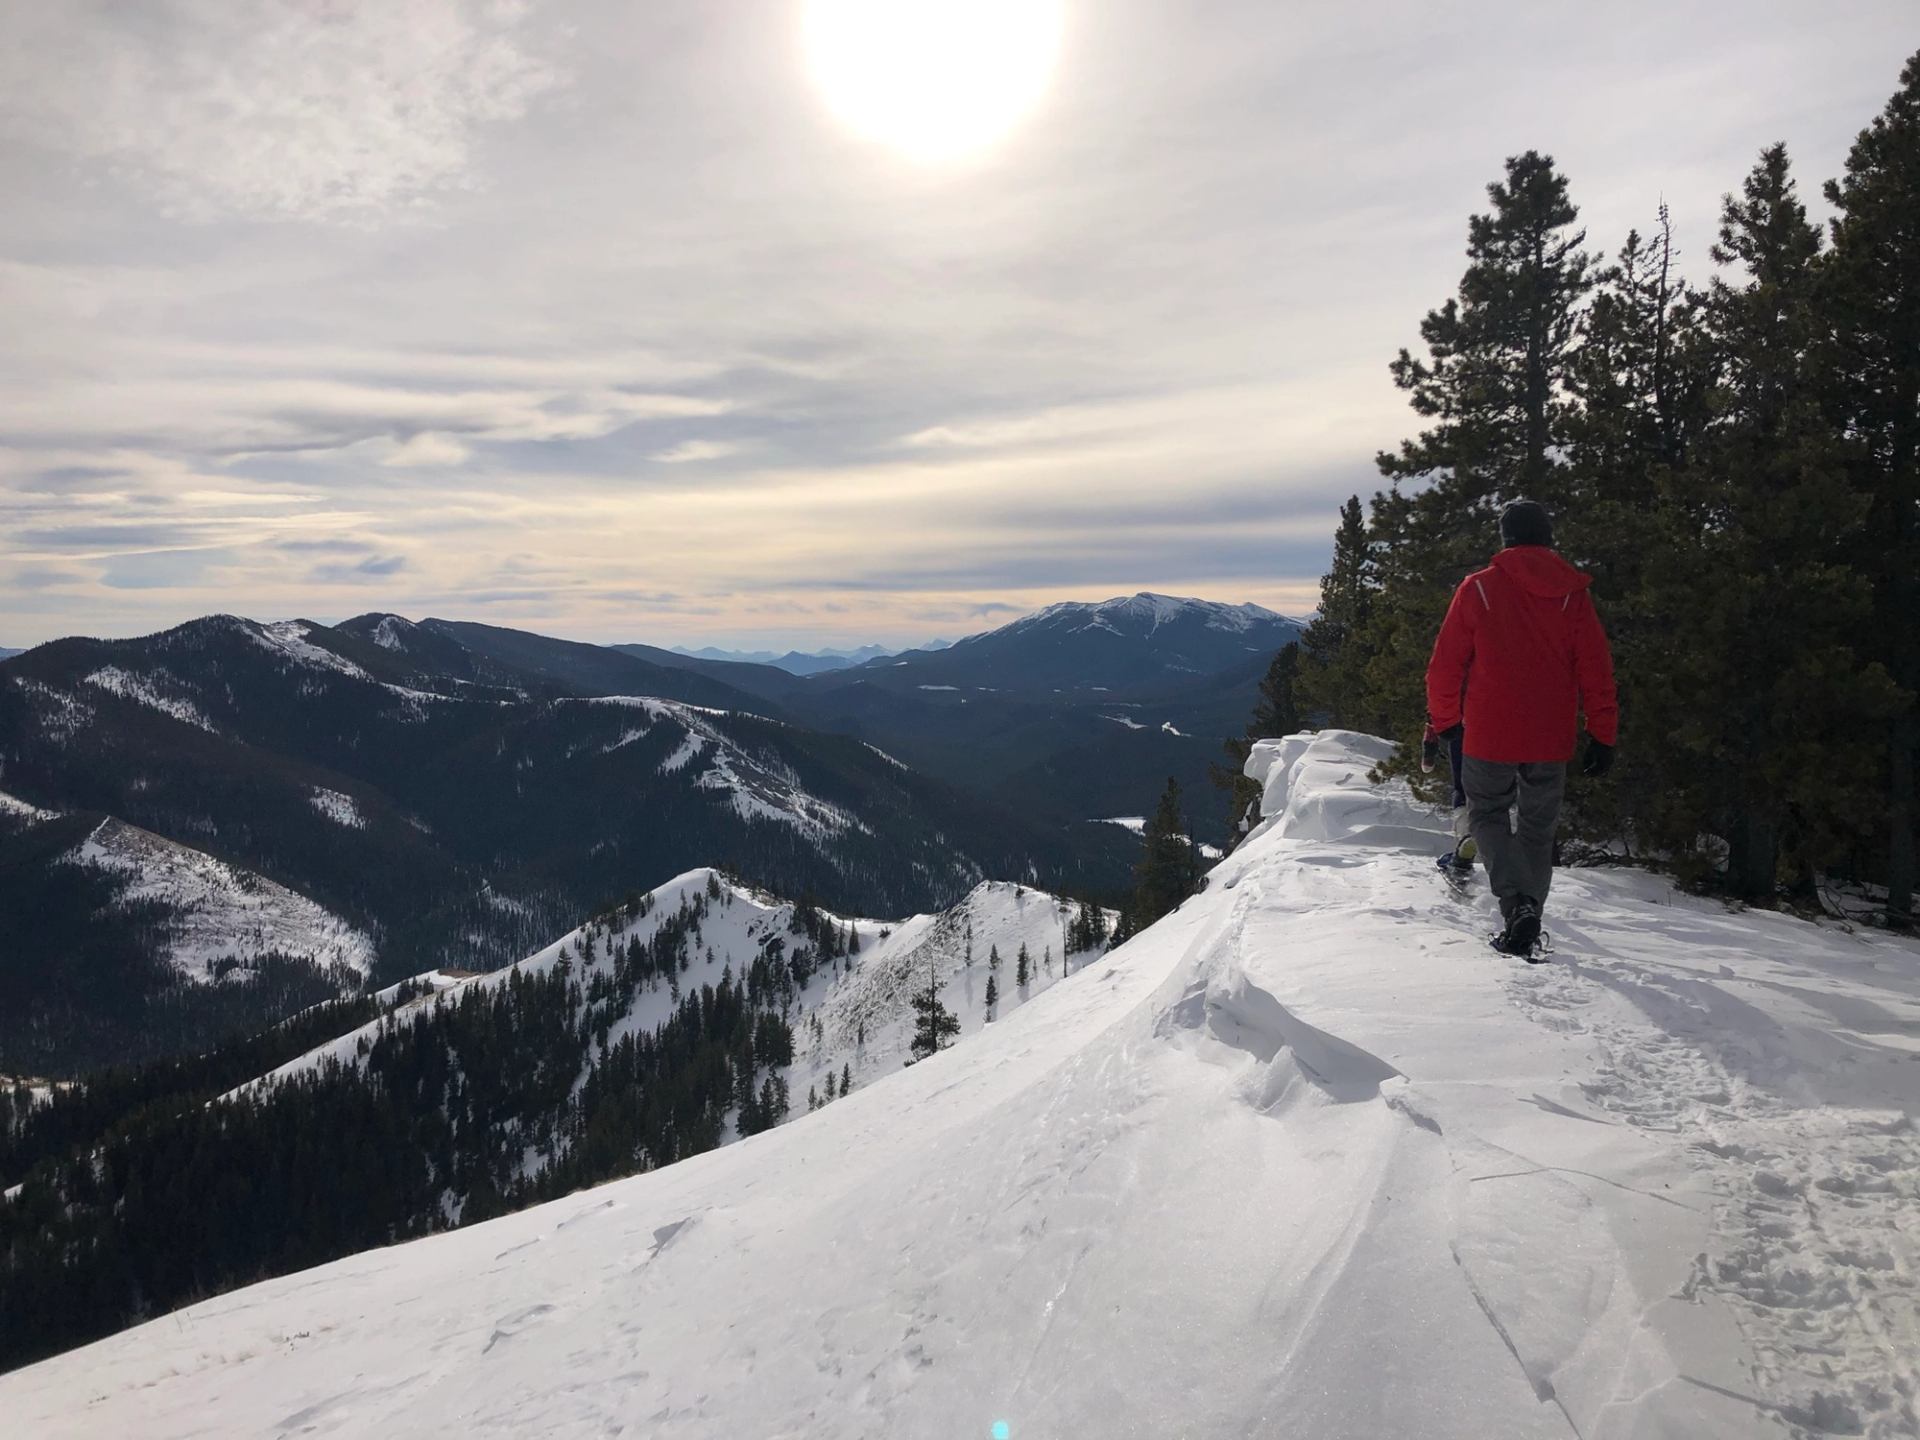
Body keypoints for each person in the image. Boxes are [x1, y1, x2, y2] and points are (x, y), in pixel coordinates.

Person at [1423, 499, 1618, 958]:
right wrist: (1604, 733)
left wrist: (1447, 722)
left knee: (1487, 813)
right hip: (1551, 735)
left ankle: (1516, 908)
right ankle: (1528, 907)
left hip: (1489, 733)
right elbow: (1596, 670)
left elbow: (1444, 667)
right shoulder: (1573, 596)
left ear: (1505, 538)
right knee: (1537, 826)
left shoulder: (1480, 589)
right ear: (1548, 537)